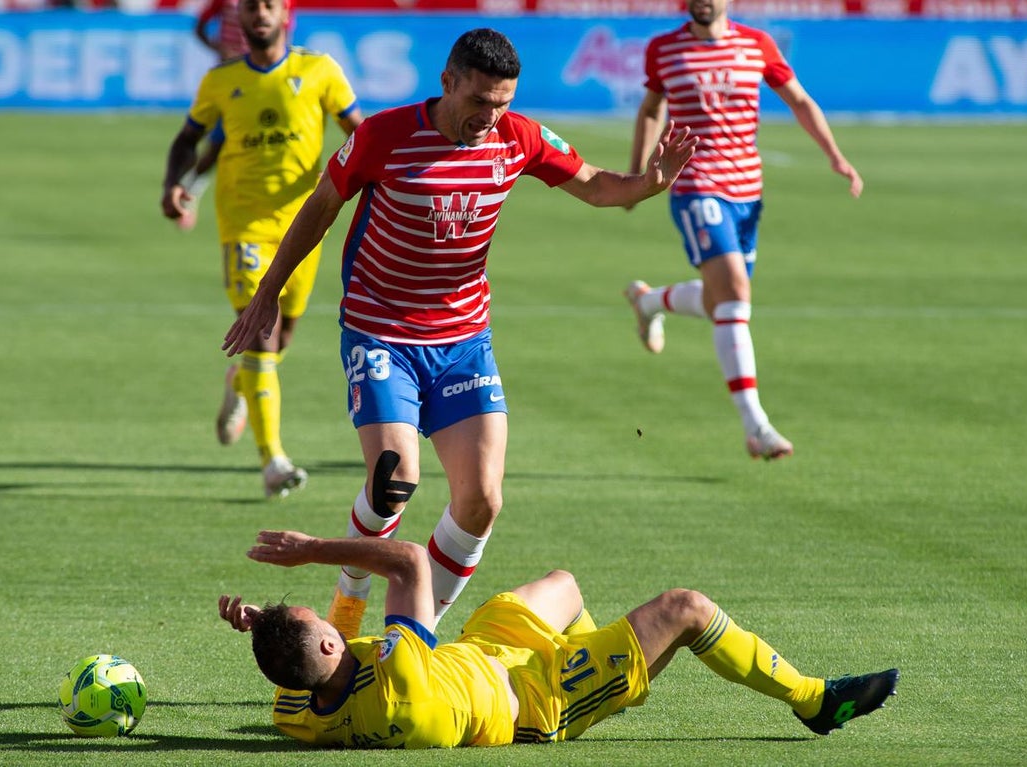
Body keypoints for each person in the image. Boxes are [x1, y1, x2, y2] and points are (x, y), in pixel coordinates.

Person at [221, 28, 699, 638]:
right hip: (381, 329)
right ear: (448, 83)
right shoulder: (383, 136)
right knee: (394, 480)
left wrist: (649, 183)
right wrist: (269, 292)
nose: (490, 116)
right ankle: (349, 603)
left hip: (464, 339)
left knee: (481, 500)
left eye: (502, 102)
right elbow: (321, 206)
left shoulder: (518, 136)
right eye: (479, 100)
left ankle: (413, 634)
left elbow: (597, 185)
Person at [219, 529, 899, 748]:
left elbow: (302, 670)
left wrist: (267, 629)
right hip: (534, 697)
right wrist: (308, 552)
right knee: (687, 608)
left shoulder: (297, 709)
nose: (335, 625)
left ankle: (614, 662)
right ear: (332, 647)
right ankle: (813, 699)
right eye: (324, 624)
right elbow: (408, 562)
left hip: (481, 654)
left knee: (564, 582)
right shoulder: (403, 683)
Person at [623, 0, 864, 461]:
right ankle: (756, 426)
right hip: (695, 185)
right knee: (735, 292)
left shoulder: (756, 44)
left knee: (722, 303)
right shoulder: (665, 49)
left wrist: (835, 155)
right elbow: (651, 109)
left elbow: (798, 99)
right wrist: (637, 176)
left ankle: (648, 301)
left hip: (747, 191)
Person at [161, 0, 363, 497]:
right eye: (252, 6)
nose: (260, 13)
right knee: (262, 336)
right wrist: (173, 183)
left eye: (270, 5)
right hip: (244, 225)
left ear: (286, 14)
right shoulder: (221, 81)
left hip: (305, 222)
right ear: (241, 18)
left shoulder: (319, 70)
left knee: (284, 334)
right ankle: (272, 460)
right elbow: (187, 139)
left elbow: (361, 132)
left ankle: (241, 383)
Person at [174, 0, 253, 231]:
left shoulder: (276, 5)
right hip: (232, 82)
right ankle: (189, 192)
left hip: (263, 81)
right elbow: (199, 26)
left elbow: (283, 33)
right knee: (216, 146)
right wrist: (218, 47)